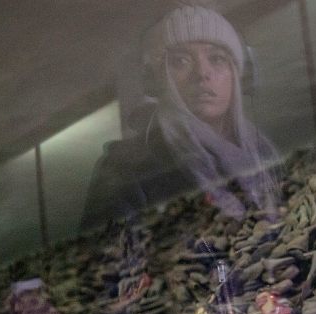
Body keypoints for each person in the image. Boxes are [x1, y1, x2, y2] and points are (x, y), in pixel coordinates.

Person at [81, 4, 281, 230]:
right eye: (180, 61)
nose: (202, 73)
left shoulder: (264, 156)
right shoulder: (125, 170)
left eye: (217, 59)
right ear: (155, 80)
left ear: (239, 75)